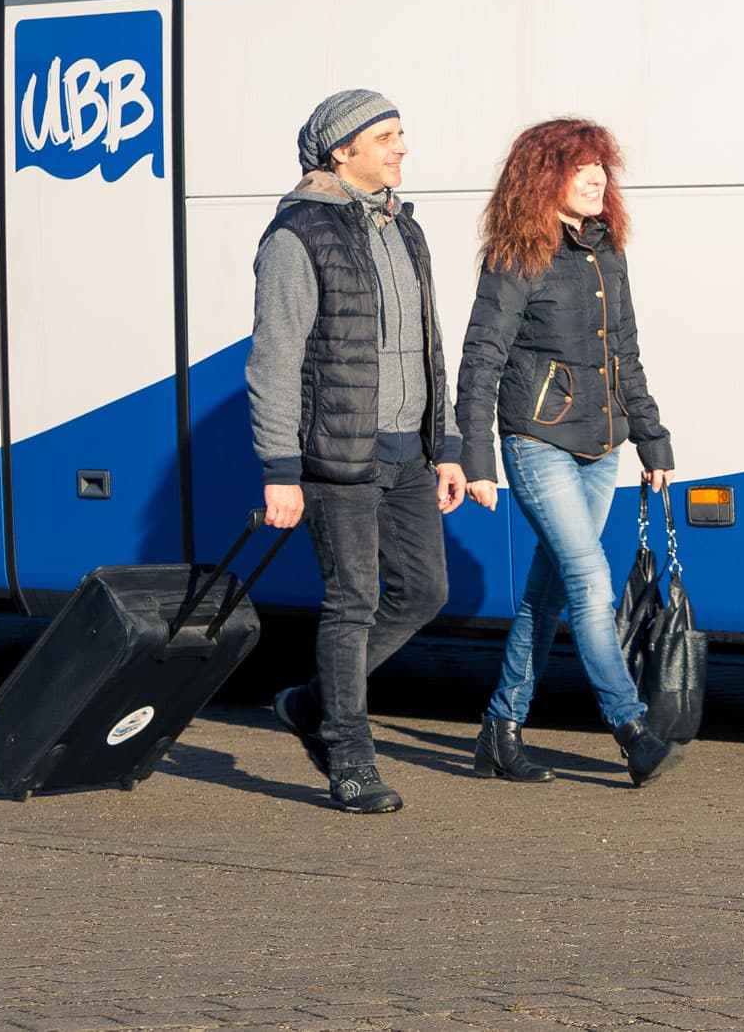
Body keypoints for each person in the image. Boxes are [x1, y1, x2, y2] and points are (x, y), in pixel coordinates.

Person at [246, 90, 466, 815]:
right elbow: (274, 359)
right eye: (386, 136)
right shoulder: (296, 235)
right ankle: (349, 756)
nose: (402, 147)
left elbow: (432, 346)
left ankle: (313, 702)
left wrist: (449, 445)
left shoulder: (406, 228)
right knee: (353, 599)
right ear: (342, 151)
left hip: (409, 454)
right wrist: (281, 468)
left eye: (402, 132)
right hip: (338, 457)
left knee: (425, 590)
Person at [457, 118, 683, 787]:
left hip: (602, 443)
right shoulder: (516, 254)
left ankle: (501, 728)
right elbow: (481, 360)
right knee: (590, 579)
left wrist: (653, 439)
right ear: (543, 176)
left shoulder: (606, 250)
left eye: (601, 168)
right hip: (537, 441)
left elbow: (627, 356)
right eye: (581, 167)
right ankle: (632, 727)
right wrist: (476, 459)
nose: (596, 179)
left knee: (546, 594)